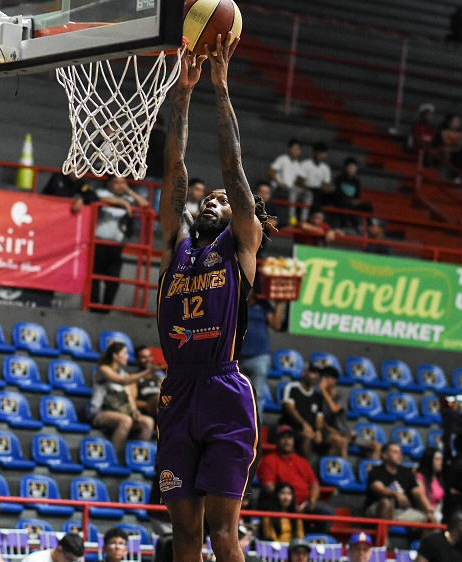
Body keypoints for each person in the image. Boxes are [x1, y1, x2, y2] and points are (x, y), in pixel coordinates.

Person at [156, 34, 269, 562]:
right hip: (178, 388)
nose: (212, 200)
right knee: (184, 534)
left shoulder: (241, 245)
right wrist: (183, 93)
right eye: (208, 198)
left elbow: (233, 167)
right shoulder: (176, 245)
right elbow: (175, 167)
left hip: (224, 390)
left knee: (223, 532)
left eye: (223, 201)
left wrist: (221, 90)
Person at [256, 425, 335, 534]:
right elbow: (269, 487)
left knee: (326, 511)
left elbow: (314, 485)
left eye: (289, 438)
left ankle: (313, 538)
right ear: (277, 440)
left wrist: (311, 503)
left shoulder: (302, 461)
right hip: (282, 504)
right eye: (283, 438)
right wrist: (290, 504)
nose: (287, 441)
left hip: (305, 505)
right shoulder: (269, 461)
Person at [91, 176, 150, 310]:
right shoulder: (103, 193)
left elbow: (145, 205)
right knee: (94, 278)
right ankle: (93, 309)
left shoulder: (129, 198)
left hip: (116, 247)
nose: (120, 185)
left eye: (123, 183)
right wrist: (122, 203)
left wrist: (129, 192)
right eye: (116, 183)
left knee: (114, 281)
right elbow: (98, 199)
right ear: (109, 184)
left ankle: (105, 310)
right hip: (99, 244)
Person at [88, 341, 154, 457]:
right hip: (99, 412)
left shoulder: (124, 373)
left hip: (120, 412)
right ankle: (111, 457)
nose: (127, 356)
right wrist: (146, 372)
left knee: (148, 422)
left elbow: (129, 397)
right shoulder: (103, 369)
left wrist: (134, 411)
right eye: (124, 353)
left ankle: (136, 457)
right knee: (126, 420)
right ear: (115, 356)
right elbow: (122, 381)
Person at [239, 286, 285, 420]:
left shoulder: (264, 305)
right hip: (237, 358)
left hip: (259, 357)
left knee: (257, 395)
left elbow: (276, 325)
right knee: (236, 395)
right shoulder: (235, 304)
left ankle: (255, 428)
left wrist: (279, 304)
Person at [319, 365, 381, 460]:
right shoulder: (318, 397)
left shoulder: (341, 394)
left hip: (345, 431)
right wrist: (330, 430)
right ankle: (345, 467)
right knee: (342, 442)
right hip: (329, 432)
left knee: (376, 446)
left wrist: (323, 391)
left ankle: (372, 468)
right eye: (323, 377)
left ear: (334, 380)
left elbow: (334, 409)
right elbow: (320, 419)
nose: (323, 380)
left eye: (327, 377)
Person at [364, 442, 435, 523]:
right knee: (386, 503)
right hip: (377, 508)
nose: (399, 455)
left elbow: (418, 493)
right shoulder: (376, 471)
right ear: (385, 455)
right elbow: (379, 489)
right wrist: (396, 494)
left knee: (429, 520)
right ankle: (384, 531)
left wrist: (429, 511)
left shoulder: (407, 473)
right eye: (395, 452)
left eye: (400, 453)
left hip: (401, 511)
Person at [279, 363, 340, 458]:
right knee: (307, 436)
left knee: (337, 440)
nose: (316, 376)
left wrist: (318, 431)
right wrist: (304, 424)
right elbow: (289, 408)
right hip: (290, 428)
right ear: (304, 373)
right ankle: (306, 466)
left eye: (318, 374)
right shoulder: (291, 387)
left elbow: (319, 418)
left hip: (311, 430)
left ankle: (326, 466)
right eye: (313, 372)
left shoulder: (317, 396)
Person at [268, 138, 302, 226]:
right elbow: (271, 172)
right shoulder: (282, 159)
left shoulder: (297, 164)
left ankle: (300, 220)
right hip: (278, 187)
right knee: (292, 193)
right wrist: (278, 183)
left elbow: (299, 180)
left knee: (301, 193)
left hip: (289, 190)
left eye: (298, 149)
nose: (296, 151)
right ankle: (292, 219)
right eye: (294, 148)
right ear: (290, 149)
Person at [332, 157, 373, 230]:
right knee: (345, 205)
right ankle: (345, 226)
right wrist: (348, 200)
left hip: (353, 202)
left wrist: (356, 201)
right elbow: (336, 193)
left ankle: (370, 225)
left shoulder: (356, 182)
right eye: (351, 167)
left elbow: (357, 195)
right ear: (346, 167)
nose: (353, 169)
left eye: (354, 167)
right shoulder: (339, 179)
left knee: (368, 207)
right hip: (341, 202)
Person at [297, 142, 333, 221]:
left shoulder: (325, 168)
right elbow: (301, 181)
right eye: (318, 152)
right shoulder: (305, 164)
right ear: (314, 152)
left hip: (319, 191)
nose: (320, 155)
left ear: (325, 155)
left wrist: (328, 187)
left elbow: (327, 184)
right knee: (313, 194)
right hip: (306, 189)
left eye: (322, 153)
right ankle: (307, 219)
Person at [129, 346, 164, 420]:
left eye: (150, 356)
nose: (148, 359)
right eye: (144, 357)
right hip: (146, 411)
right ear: (137, 360)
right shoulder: (134, 379)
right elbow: (132, 401)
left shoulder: (158, 378)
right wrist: (149, 405)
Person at [416, 448, 444, 522]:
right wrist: (430, 512)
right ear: (429, 460)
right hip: (425, 513)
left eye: (441, 459)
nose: (440, 462)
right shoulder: (419, 477)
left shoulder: (439, 479)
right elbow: (420, 497)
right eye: (437, 459)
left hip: (438, 512)